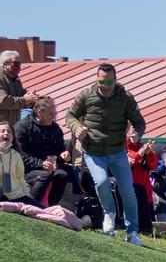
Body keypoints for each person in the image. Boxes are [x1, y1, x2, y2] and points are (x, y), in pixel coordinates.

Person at [65, 63, 146, 246]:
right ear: (97, 79)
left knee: (128, 191)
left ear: (115, 80)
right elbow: (70, 116)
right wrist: (77, 127)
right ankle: (109, 217)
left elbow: (139, 123)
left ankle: (132, 231)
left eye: (110, 81)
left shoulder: (125, 97)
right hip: (93, 152)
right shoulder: (86, 95)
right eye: (102, 81)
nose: (106, 86)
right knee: (101, 183)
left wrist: (136, 134)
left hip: (117, 151)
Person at [16, 97, 73, 207]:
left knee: (62, 175)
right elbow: (19, 153)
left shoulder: (56, 129)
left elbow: (59, 150)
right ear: (39, 112)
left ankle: (49, 207)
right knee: (44, 176)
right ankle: (29, 206)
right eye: (50, 112)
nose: (54, 115)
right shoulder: (23, 126)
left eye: (54, 111)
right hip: (25, 169)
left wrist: (63, 155)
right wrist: (40, 164)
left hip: (49, 167)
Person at [0, 121, 40, 207]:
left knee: (41, 209)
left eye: (9, 132)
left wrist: (26, 193)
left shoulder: (16, 155)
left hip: (16, 195)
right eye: (2, 131)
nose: (6, 133)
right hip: (1, 194)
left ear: (13, 137)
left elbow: (20, 177)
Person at [126, 130, 157, 235]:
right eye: (130, 128)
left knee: (148, 229)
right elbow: (128, 161)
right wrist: (140, 153)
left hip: (146, 195)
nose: (133, 131)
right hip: (131, 194)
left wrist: (149, 153)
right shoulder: (121, 147)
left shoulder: (143, 147)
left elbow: (153, 166)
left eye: (135, 129)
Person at [0, 50, 38, 129]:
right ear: (5, 64)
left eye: (19, 64)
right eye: (15, 64)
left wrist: (32, 98)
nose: (19, 66)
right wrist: (24, 100)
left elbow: (22, 97)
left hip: (12, 128)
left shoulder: (16, 80)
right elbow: (3, 101)